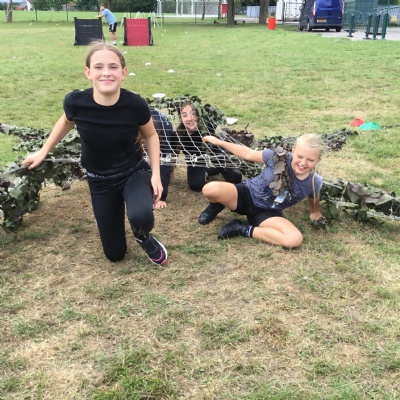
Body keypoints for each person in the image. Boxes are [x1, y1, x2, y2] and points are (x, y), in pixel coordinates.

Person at [22, 42, 167, 266]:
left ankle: (142, 236)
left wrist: (155, 175)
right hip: (100, 181)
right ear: (88, 72)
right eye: (98, 67)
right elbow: (65, 121)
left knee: (141, 216)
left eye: (113, 67)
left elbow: (151, 135)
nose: (106, 72)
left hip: (133, 173)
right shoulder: (76, 102)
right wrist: (43, 151)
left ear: (123, 73)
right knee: (115, 254)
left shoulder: (135, 104)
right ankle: (112, 224)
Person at [198, 133, 324, 249]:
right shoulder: (278, 157)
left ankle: (242, 229)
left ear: (318, 160)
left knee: (294, 239)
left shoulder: (314, 181)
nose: (303, 163)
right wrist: (219, 142)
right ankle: (216, 205)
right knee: (209, 189)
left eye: (310, 160)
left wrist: (315, 211)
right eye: (300, 156)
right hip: (246, 194)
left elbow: (314, 195)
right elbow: (248, 153)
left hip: (268, 212)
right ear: (293, 151)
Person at [176, 101, 242, 193]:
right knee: (196, 185)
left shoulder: (207, 124)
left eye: (193, 113)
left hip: (215, 153)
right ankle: (207, 171)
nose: (190, 118)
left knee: (235, 178)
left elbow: (217, 115)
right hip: (196, 160)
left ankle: (218, 168)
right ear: (180, 118)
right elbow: (173, 152)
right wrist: (170, 171)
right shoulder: (179, 135)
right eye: (185, 115)